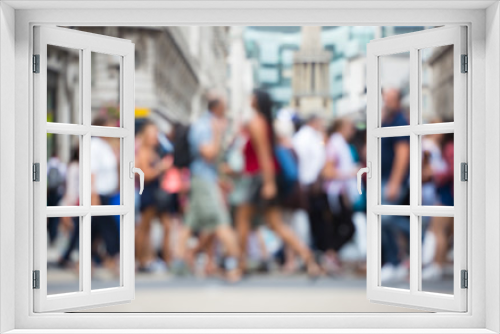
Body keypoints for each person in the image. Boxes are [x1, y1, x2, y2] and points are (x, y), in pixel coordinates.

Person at [235, 89, 321, 277]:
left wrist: (268, 183)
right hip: (261, 178)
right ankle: (308, 258)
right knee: (276, 224)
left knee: (243, 221)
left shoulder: (257, 122)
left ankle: (239, 266)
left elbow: (265, 155)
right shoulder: (264, 122)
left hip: (256, 179)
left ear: (256, 101)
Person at [176, 90, 241, 282]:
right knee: (221, 222)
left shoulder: (209, 123)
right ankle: (234, 265)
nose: (227, 107)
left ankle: (180, 261)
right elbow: (209, 153)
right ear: (217, 106)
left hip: (206, 179)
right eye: (225, 103)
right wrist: (217, 133)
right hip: (203, 180)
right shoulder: (205, 125)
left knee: (190, 223)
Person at [380, 88, 411, 283]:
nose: (385, 102)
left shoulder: (399, 121)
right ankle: (393, 262)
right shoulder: (386, 121)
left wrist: (394, 182)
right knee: (384, 221)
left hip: (391, 180)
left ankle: (419, 234)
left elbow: (402, 155)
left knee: (386, 218)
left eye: (389, 99)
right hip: (383, 178)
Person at [321, 117, 359, 274]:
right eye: (350, 126)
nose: (353, 130)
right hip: (335, 192)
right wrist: (350, 173)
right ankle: (330, 256)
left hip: (340, 192)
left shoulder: (341, 145)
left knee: (340, 227)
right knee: (346, 227)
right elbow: (327, 171)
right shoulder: (335, 145)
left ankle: (331, 256)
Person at [134, 120, 171, 271]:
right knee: (144, 228)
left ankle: (162, 259)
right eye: (153, 134)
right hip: (148, 192)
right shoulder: (143, 152)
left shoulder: (155, 151)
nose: (156, 136)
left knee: (165, 225)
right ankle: (140, 259)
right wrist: (161, 168)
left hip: (156, 193)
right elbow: (144, 175)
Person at [90, 116, 121, 276]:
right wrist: (93, 195)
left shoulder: (107, 146)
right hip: (99, 194)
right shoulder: (94, 145)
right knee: (108, 229)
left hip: (108, 194)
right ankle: (114, 258)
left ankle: (84, 261)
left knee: (94, 230)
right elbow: (92, 172)